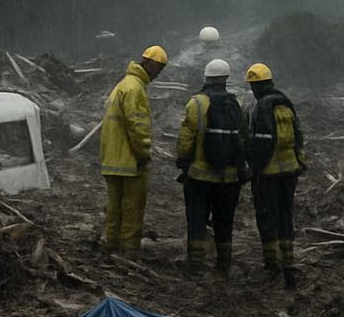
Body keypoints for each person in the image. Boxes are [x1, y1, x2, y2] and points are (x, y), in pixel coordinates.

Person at [176, 59, 247, 274]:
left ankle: (195, 264)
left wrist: (183, 163)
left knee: (197, 218)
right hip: (229, 178)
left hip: (200, 176)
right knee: (224, 221)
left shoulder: (196, 103)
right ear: (226, 79)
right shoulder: (237, 104)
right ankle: (223, 264)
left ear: (206, 78)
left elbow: (186, 139)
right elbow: (242, 140)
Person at [99, 45, 166, 255]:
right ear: (149, 64)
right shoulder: (135, 89)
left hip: (112, 161)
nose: (158, 74)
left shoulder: (122, 85)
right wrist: (144, 154)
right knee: (132, 209)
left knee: (115, 209)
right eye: (158, 68)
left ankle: (111, 246)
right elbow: (137, 127)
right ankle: (129, 251)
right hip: (129, 162)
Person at [246, 63, 306, 289]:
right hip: (290, 171)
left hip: (269, 173)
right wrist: (299, 163)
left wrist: (255, 167)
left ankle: (272, 264)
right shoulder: (285, 102)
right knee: (285, 217)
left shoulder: (262, 107)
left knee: (267, 217)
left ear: (256, 85)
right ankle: (289, 263)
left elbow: (263, 141)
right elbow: (298, 136)